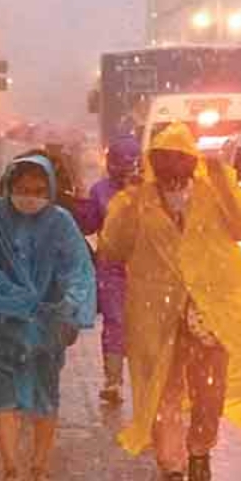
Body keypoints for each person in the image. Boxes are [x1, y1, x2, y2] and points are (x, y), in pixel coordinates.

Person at [98, 122, 241, 481]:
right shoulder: (137, 201)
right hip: (156, 313)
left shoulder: (213, 194)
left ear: (192, 162)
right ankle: (171, 468)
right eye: (164, 159)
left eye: (180, 159)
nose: (172, 167)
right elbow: (113, 247)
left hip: (210, 309)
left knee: (210, 390)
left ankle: (200, 448)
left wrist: (222, 177)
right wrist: (128, 201)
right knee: (162, 389)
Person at [0, 154, 97, 481]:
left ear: (50, 190)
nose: (30, 197)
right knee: (1, 395)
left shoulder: (61, 223)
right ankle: (10, 468)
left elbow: (78, 270)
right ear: (9, 187)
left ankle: (39, 466)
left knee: (44, 395)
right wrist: (17, 299)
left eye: (39, 190)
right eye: (23, 189)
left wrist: (66, 306)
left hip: (44, 326)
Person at [76, 135, 142, 405]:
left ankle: (148, 381)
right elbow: (90, 224)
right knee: (115, 323)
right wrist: (79, 205)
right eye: (119, 161)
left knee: (146, 326)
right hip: (112, 267)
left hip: (148, 267)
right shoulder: (100, 190)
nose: (125, 166)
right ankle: (113, 381)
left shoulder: (150, 189)